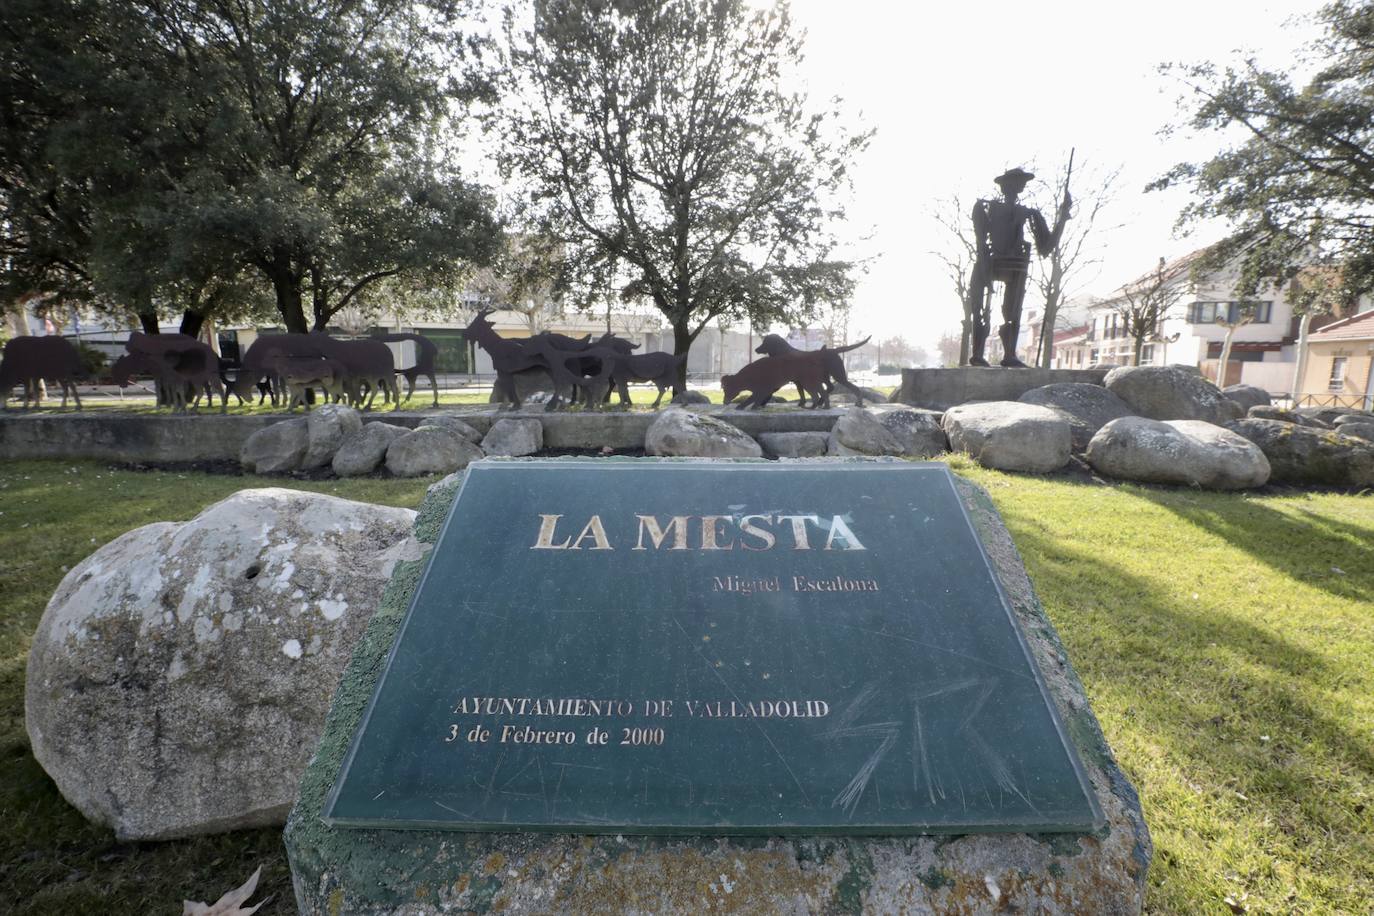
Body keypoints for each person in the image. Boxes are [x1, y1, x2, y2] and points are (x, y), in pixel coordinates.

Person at [965, 167, 1071, 367]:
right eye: (1016, 182)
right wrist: (985, 267)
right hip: (989, 262)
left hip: (1016, 266)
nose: (1019, 186)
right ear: (1005, 185)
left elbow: (1046, 247)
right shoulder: (986, 207)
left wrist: (1062, 218)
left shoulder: (1029, 213)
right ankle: (978, 354)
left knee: (1013, 311)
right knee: (980, 309)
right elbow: (981, 241)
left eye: (1021, 182)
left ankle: (1009, 354)